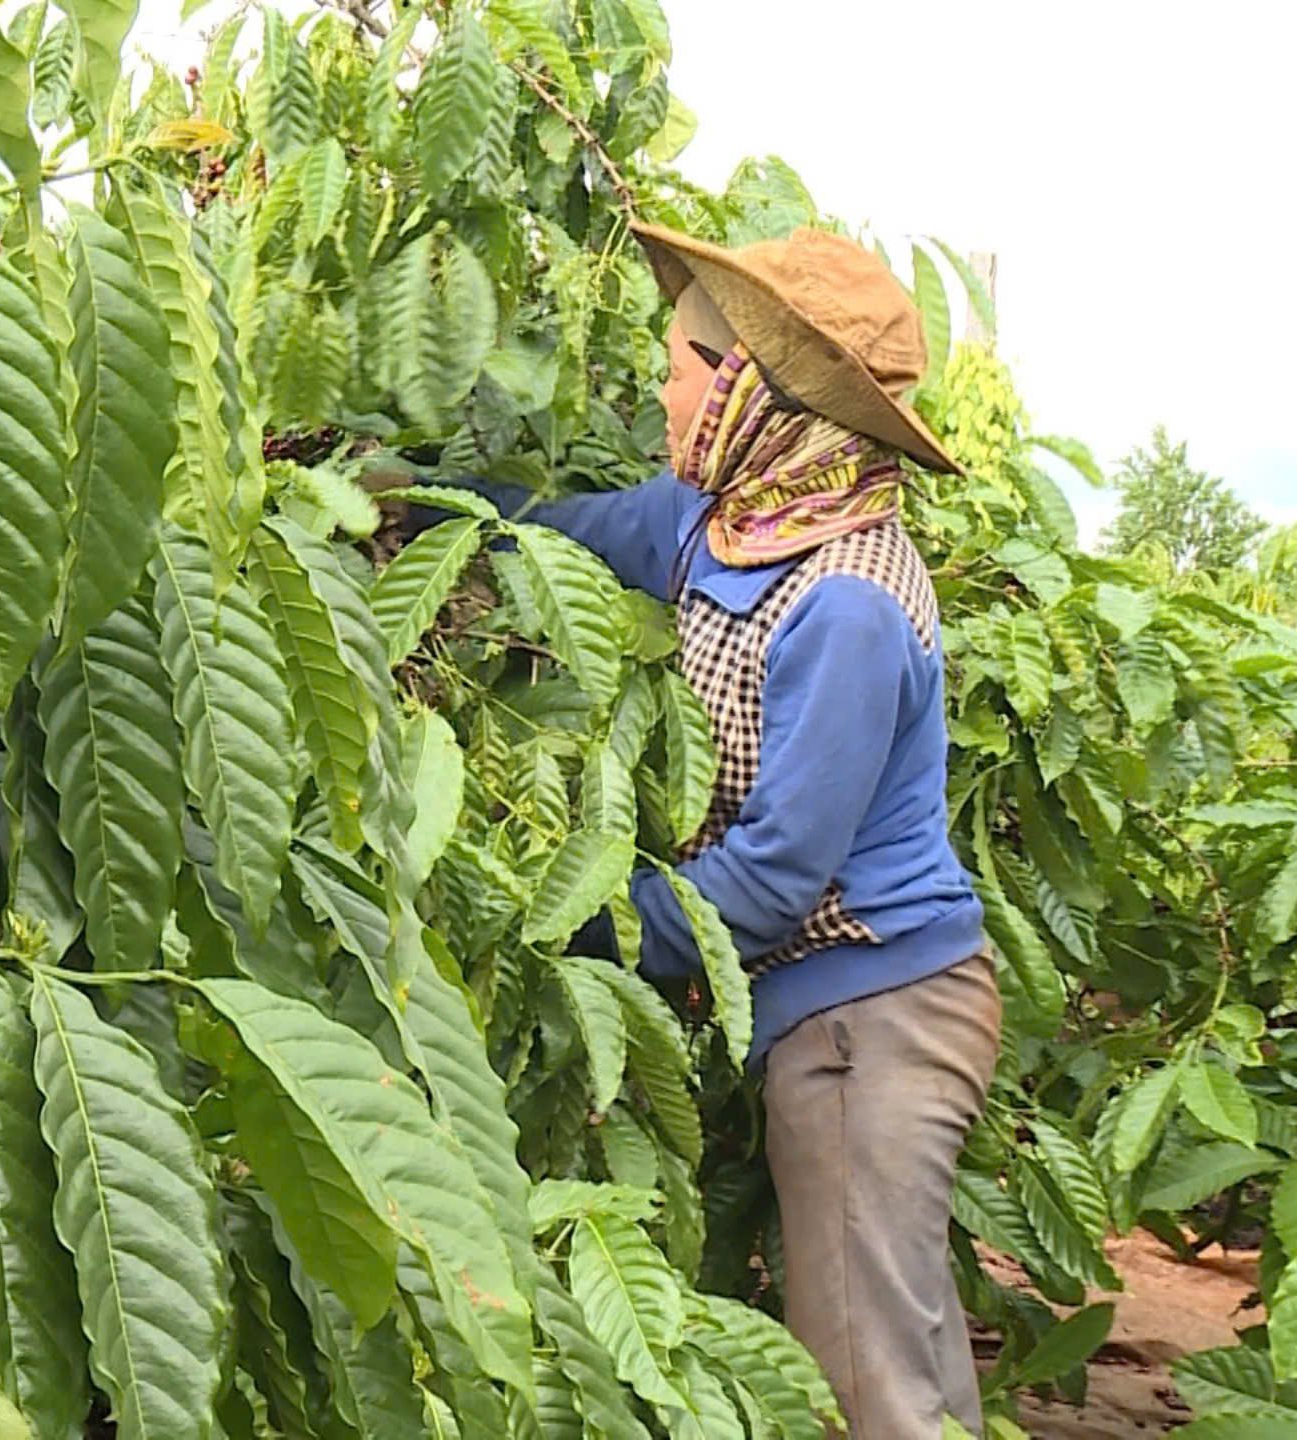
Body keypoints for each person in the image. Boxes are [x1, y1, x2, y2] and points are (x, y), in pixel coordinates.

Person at [406, 223, 1001, 1438]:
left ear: (752, 398)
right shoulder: (715, 524)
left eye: (683, 362)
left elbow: (776, 880)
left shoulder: (846, 602)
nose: (664, 385)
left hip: (872, 1017)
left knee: (864, 1370)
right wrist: (405, 501)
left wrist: (557, 936)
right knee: (902, 1338)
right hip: (829, 1011)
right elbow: (553, 527)